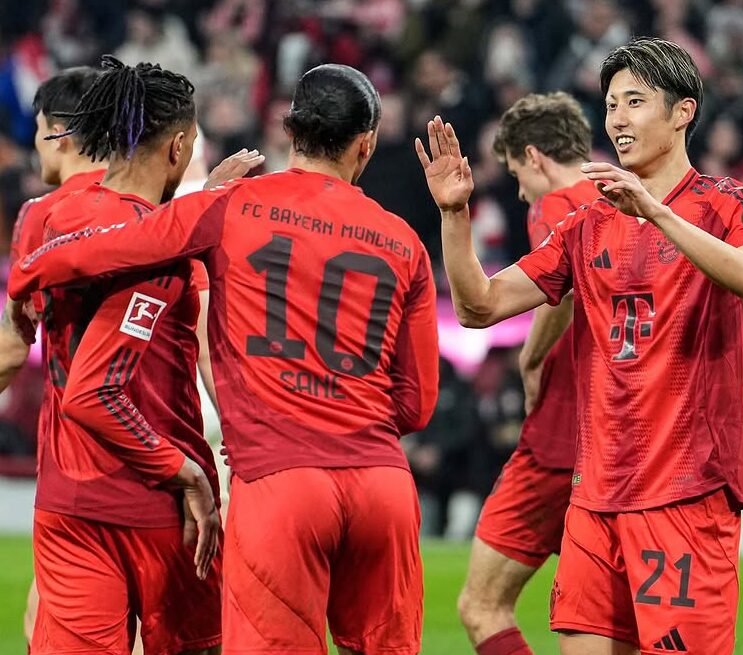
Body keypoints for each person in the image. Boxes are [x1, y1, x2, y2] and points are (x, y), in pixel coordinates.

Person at [10, 63, 440, 655]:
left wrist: (27, 270)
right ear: (366, 144)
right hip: (382, 486)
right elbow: (415, 407)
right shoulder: (405, 242)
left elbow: (114, 246)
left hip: (278, 482)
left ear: (289, 130)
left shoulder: (230, 206)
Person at [414, 37, 743, 655]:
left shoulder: (731, 203)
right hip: (595, 496)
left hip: (686, 493)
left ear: (683, 112)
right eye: (611, 105)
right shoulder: (586, 224)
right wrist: (455, 215)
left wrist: (656, 212)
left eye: (635, 102)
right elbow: (480, 306)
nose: (617, 119)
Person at [14, 55, 251, 655]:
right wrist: (191, 470)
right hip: (161, 497)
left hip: (68, 498)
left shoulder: (52, 217)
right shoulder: (165, 245)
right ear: (178, 147)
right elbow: (101, 388)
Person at [457, 92, 598, 655]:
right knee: (602, 623)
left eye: (518, 174)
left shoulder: (557, 203)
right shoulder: (624, 199)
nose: (520, 193)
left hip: (559, 438)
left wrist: (530, 356)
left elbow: (563, 288)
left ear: (535, 157)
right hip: (619, 444)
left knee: (481, 606)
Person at [0, 66, 108, 646]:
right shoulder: (161, 210)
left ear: (59, 134)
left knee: (49, 626)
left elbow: (12, 348)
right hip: (170, 459)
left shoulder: (45, 215)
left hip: (80, 467)